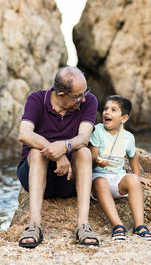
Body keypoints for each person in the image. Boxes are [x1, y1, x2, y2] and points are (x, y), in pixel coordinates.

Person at [17, 66, 100, 248]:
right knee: (36, 152)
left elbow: (84, 138)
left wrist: (65, 146)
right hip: (36, 175)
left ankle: (83, 225)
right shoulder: (37, 99)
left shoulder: (89, 101)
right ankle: (34, 225)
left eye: (85, 92)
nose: (84, 98)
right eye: (78, 95)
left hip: (69, 179)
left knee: (84, 152)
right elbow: (24, 134)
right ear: (61, 94)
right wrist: (54, 152)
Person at [89, 95, 151, 241]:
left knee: (132, 180)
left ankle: (140, 226)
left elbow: (133, 157)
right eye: (106, 109)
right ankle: (118, 225)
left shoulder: (128, 137)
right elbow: (92, 157)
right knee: (100, 182)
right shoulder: (98, 130)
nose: (107, 113)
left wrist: (138, 176)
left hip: (117, 180)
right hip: (98, 178)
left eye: (113, 110)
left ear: (124, 118)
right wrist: (97, 161)